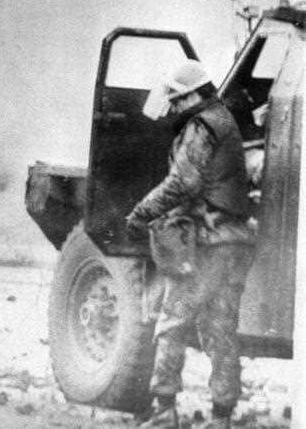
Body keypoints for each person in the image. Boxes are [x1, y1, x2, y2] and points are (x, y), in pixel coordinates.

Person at [126, 60, 254, 429]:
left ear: (196, 95)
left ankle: (164, 410)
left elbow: (183, 183)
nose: (175, 107)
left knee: (172, 323)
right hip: (232, 241)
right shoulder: (223, 118)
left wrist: (140, 213)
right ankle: (221, 416)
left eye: (179, 100)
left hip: (206, 243)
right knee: (220, 329)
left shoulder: (202, 126)